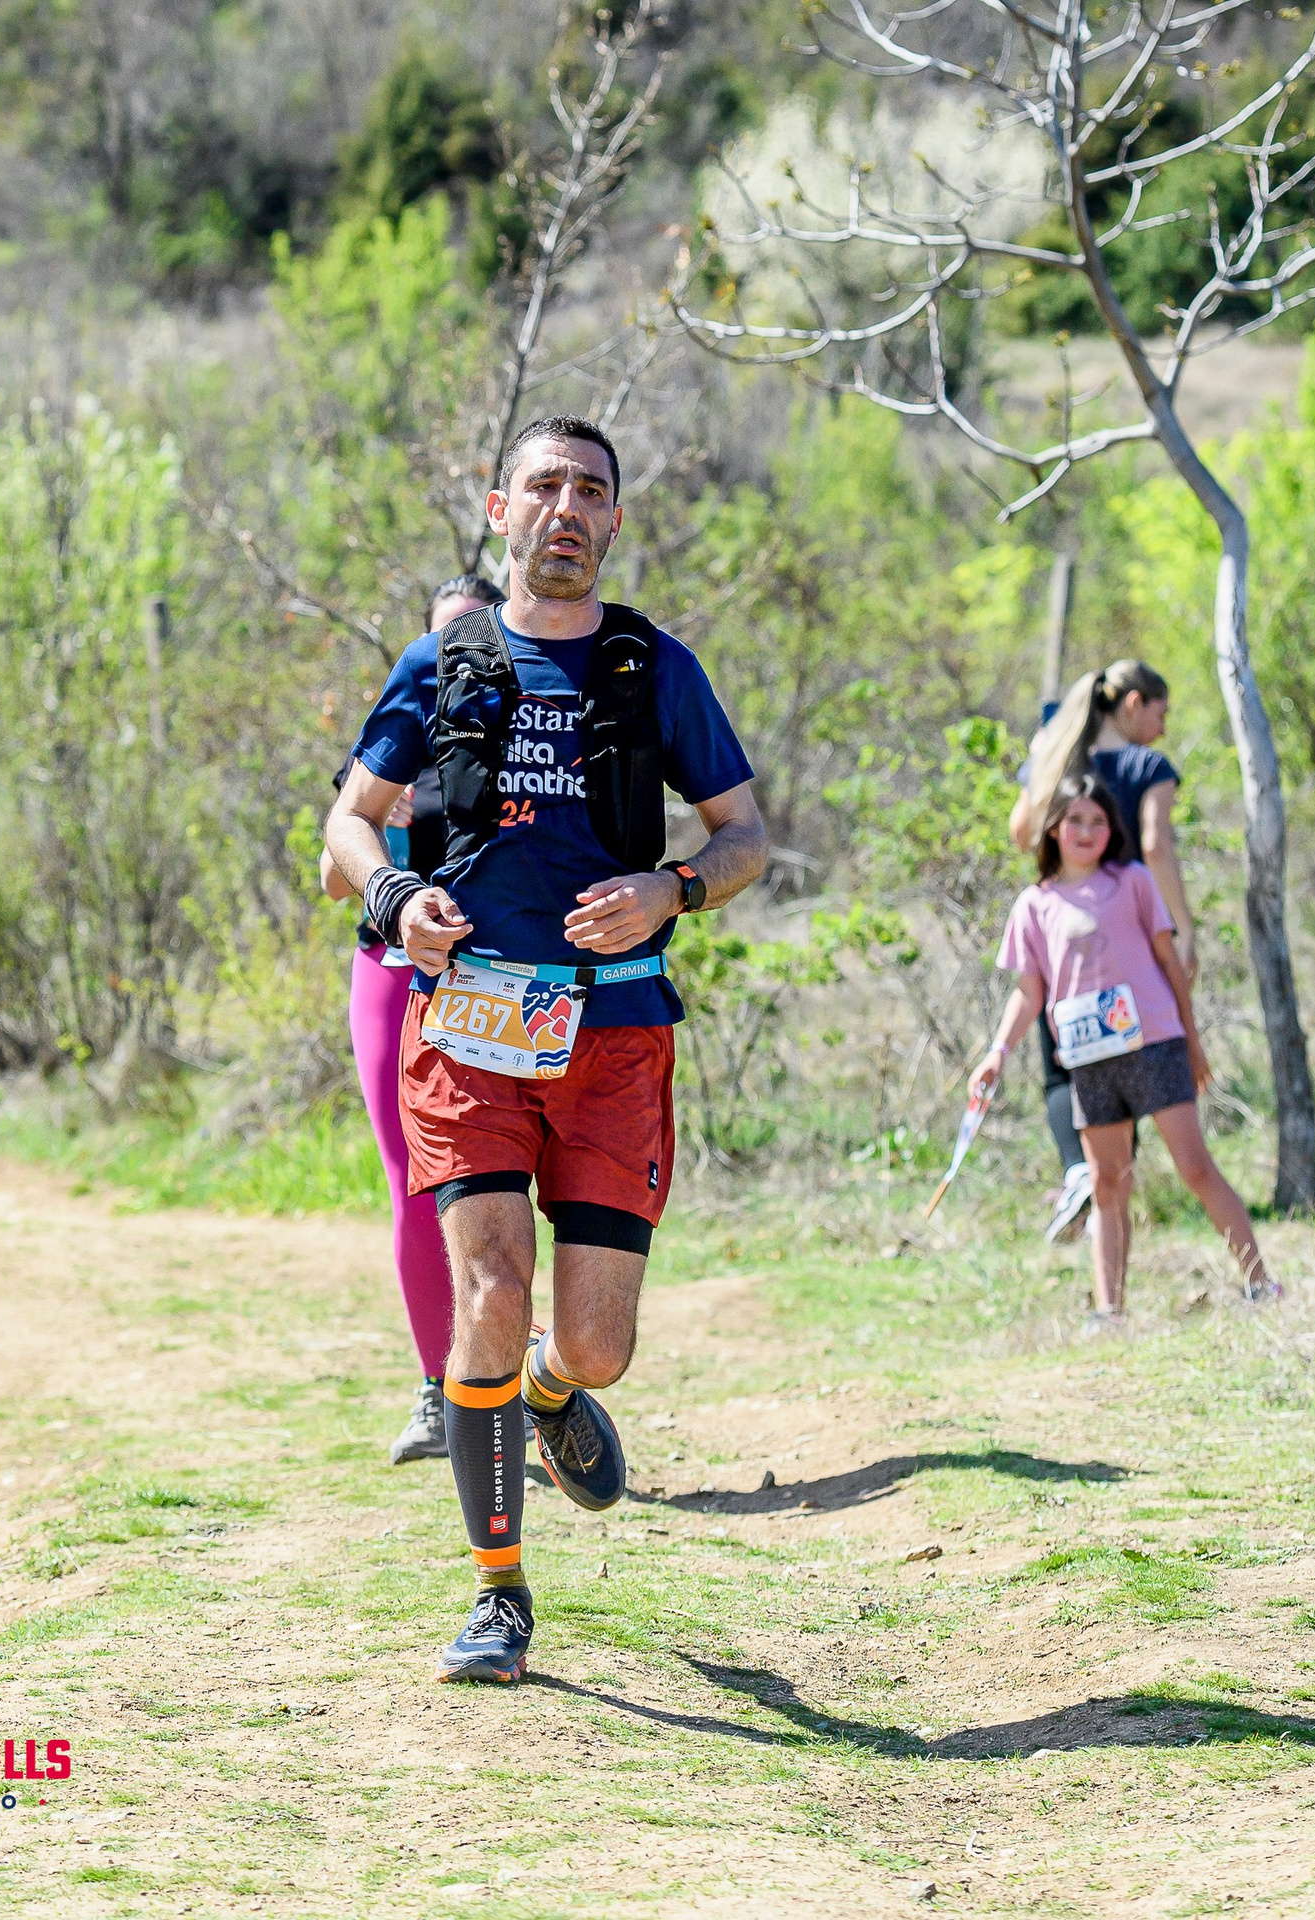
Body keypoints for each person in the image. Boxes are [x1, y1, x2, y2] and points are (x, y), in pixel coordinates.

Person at [325, 416, 768, 1684]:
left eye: (590, 491)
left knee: (596, 1343)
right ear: (498, 507)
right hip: (465, 1029)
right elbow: (348, 825)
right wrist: (396, 901)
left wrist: (673, 888)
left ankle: (558, 1393)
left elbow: (746, 837)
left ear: (615, 521)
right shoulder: (440, 662)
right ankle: (498, 1595)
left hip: (614, 1028)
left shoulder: (653, 666)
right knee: (489, 1294)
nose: (565, 508)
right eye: (543, 487)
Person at [318, 574, 503, 1465]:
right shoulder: (396, 730)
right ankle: (440, 1390)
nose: (459, 652)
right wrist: (381, 832)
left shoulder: (531, 728)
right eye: (443, 638)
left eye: (475, 632)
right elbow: (329, 870)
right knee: (412, 1180)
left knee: (504, 1178)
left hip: (501, 978)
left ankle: (521, 1383)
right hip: (392, 973)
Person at [973, 774, 1271, 1321]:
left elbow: (1169, 964)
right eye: (1075, 820)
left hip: (1155, 1043)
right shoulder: (1034, 906)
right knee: (1107, 1185)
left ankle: (1260, 1282)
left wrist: (1193, 1041)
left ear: (1113, 830)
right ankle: (1110, 1310)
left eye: (1099, 821)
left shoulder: (1133, 881)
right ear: (1054, 829)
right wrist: (997, 1052)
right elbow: (1028, 991)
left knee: (1195, 1167)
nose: (1087, 831)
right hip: (1088, 1061)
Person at [1008, 661, 1191, 1242]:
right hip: (1133, 945)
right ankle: (1110, 1197)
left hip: (1064, 944)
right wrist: (1181, 928)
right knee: (1127, 1059)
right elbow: (1157, 845)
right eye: (1160, 714)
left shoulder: (1063, 757)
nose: (1161, 730)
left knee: (1069, 1068)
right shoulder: (1149, 767)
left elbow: (1020, 832)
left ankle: (1080, 1176)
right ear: (1134, 704)